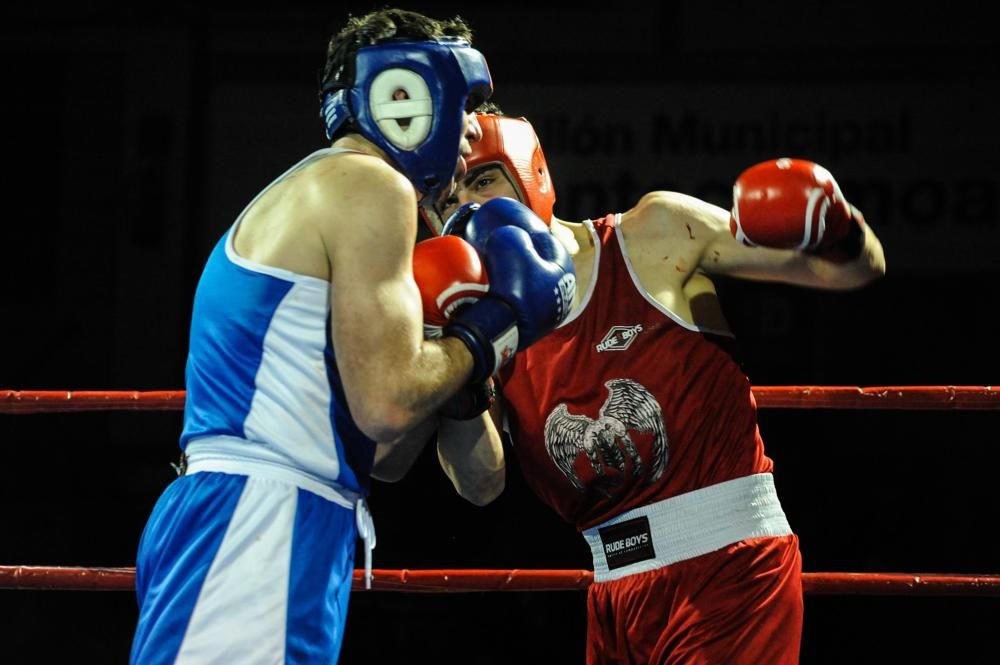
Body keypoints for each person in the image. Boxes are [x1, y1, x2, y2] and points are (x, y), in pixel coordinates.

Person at [128, 10, 576, 663]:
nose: (465, 137)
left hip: (276, 516)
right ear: (405, 97)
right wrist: (494, 328)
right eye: (459, 106)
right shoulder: (371, 187)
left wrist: (454, 352)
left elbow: (386, 452)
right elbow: (387, 403)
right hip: (260, 519)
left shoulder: (325, 189)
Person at [435, 113, 887, 664]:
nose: (467, 206)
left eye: (482, 180)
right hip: (615, 595)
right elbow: (479, 484)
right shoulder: (481, 322)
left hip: (728, 569)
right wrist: (463, 353)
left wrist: (837, 226)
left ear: (531, 173)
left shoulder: (652, 233)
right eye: (445, 194)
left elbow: (850, 272)